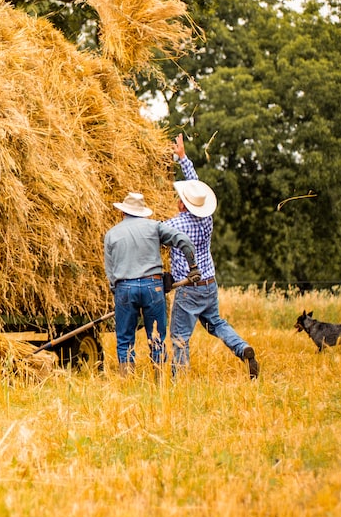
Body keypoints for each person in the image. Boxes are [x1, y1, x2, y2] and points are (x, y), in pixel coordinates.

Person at [165, 134, 260, 378]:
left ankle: (180, 381)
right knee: (216, 323)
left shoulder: (174, 225)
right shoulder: (206, 219)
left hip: (188, 287)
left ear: (183, 204)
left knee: (180, 336)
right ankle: (242, 347)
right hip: (209, 284)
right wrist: (183, 158)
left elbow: (151, 233)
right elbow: (196, 187)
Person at [104, 190, 199, 373]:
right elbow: (184, 240)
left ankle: (127, 380)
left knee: (124, 339)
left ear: (123, 212)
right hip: (152, 286)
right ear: (142, 212)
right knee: (156, 337)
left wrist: (118, 291)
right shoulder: (155, 227)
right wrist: (193, 266)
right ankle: (160, 379)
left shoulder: (111, 234)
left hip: (125, 287)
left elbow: (110, 271)